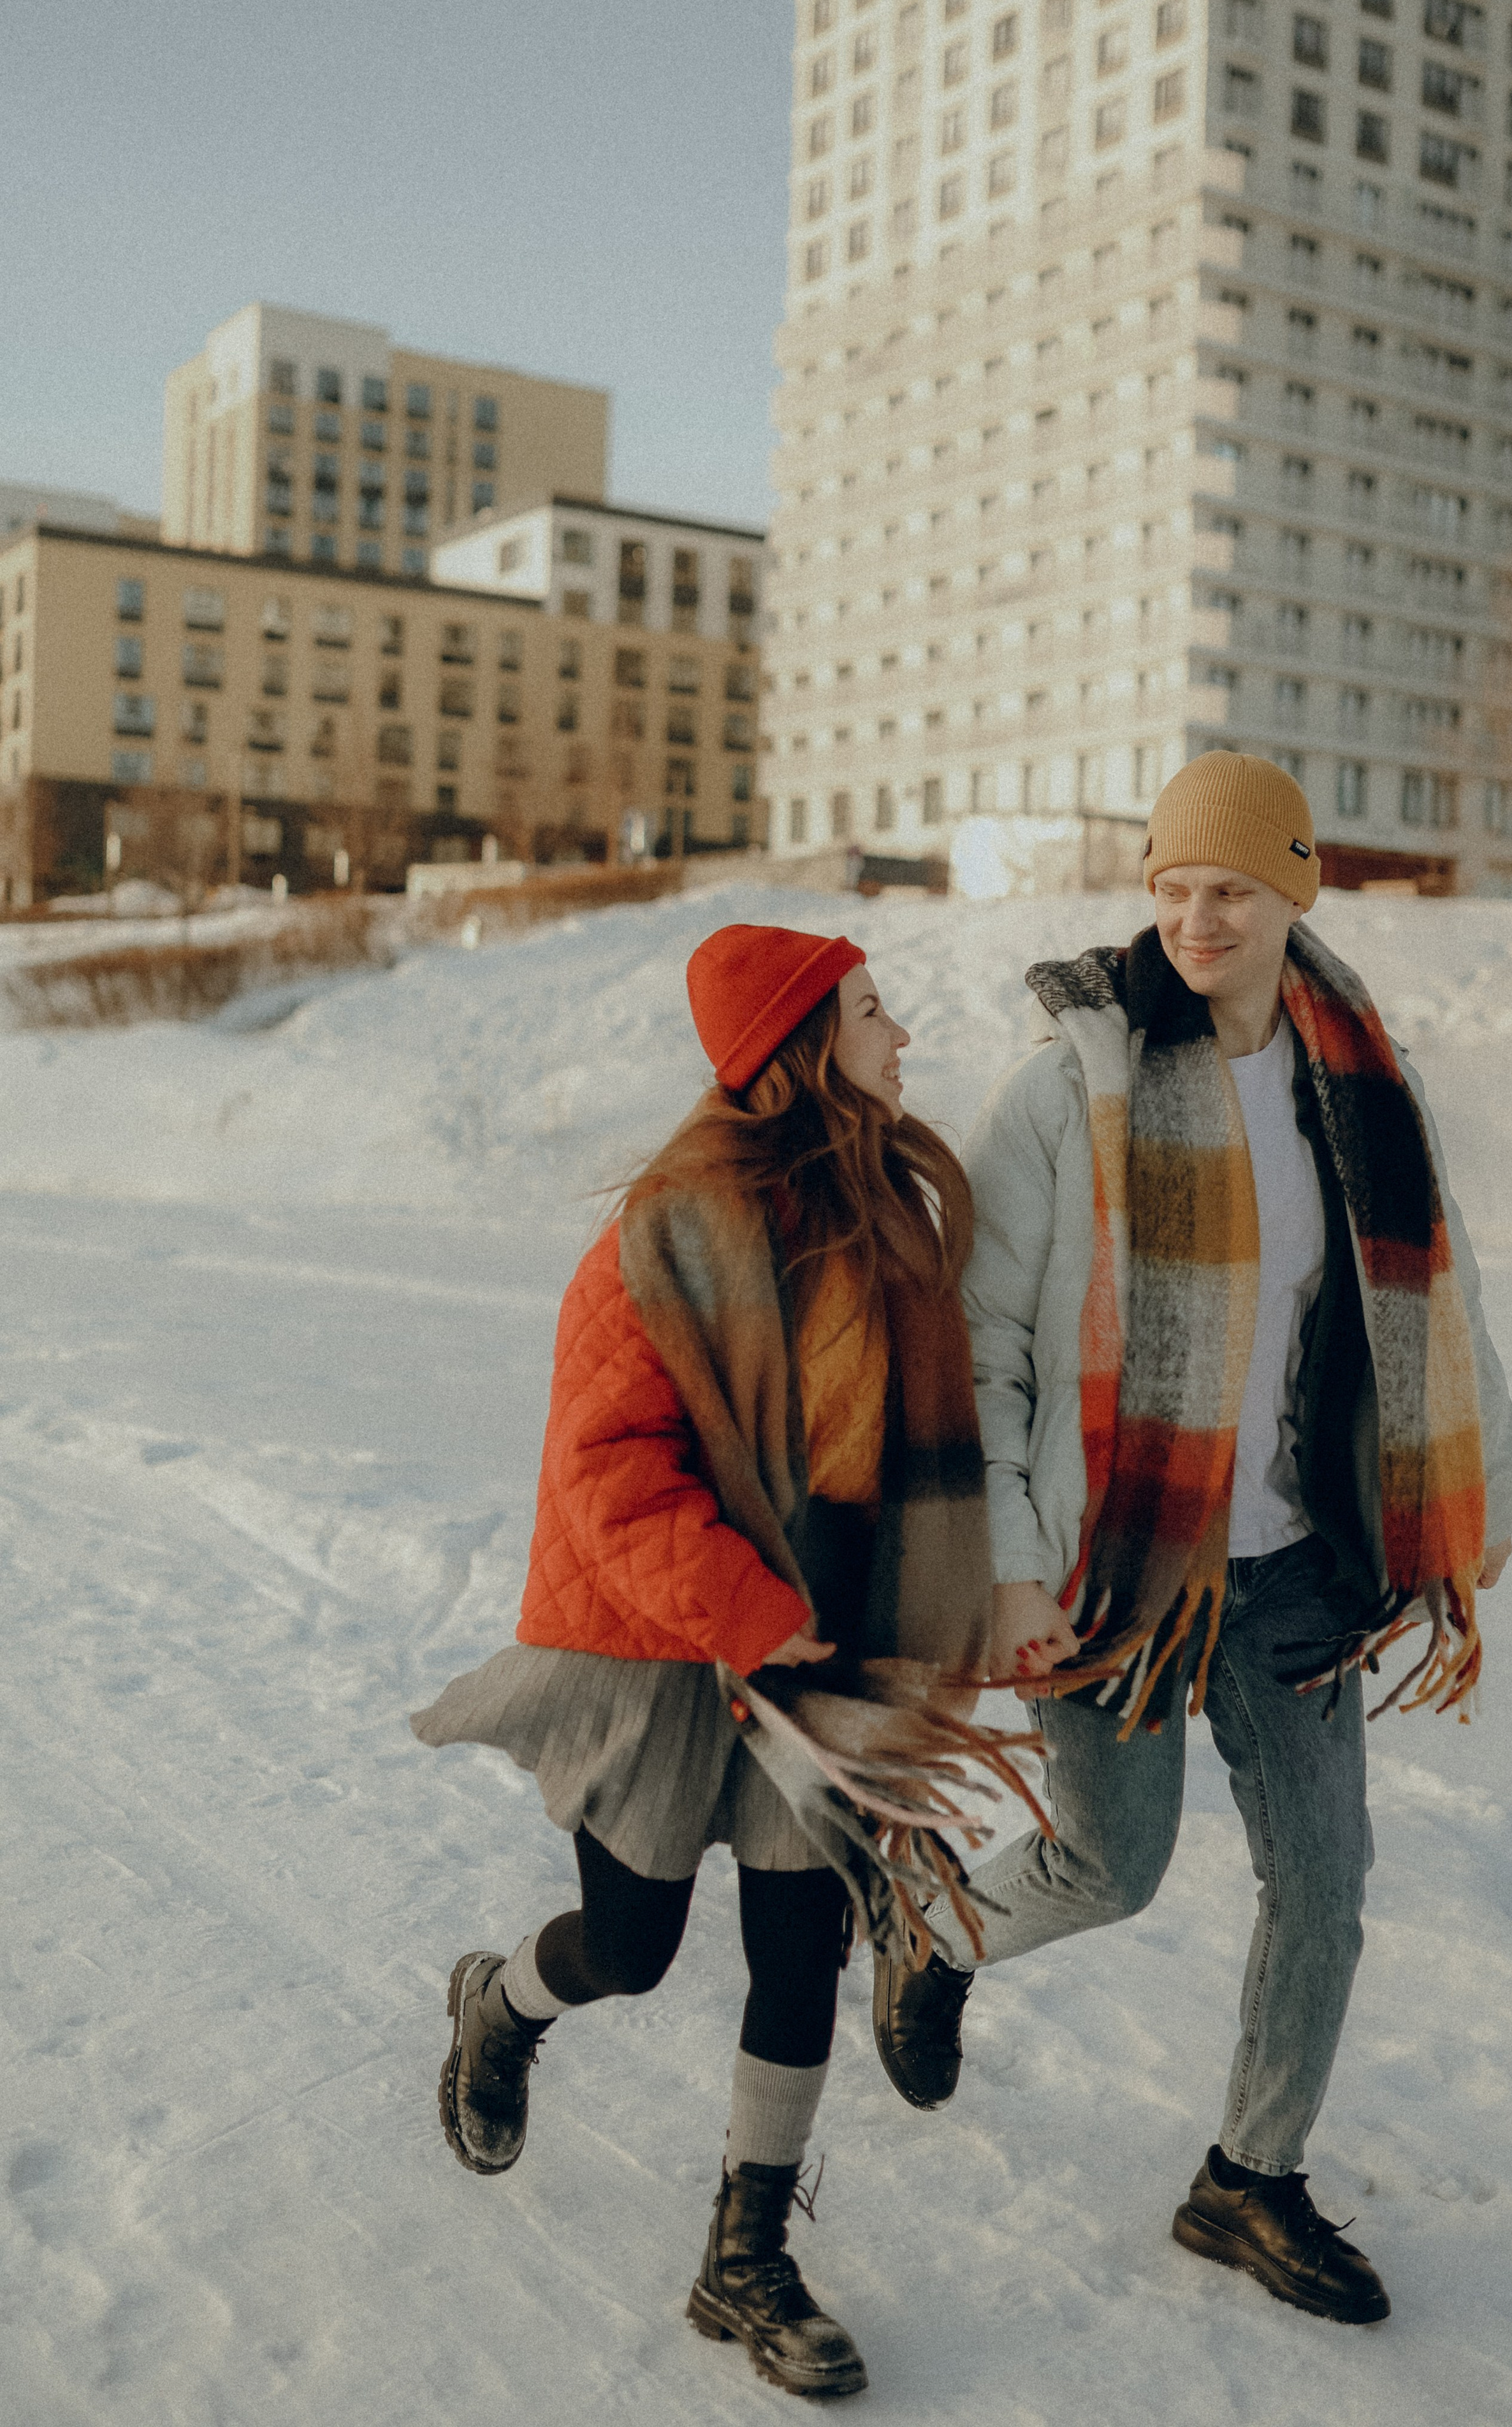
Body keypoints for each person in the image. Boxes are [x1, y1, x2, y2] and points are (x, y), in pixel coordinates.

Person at [871, 753, 1512, 2328]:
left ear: (1293, 891)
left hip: (1297, 1563)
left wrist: (1476, 1505)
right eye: (1170, 888)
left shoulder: (1360, 1086)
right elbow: (979, 1345)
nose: (1194, 919)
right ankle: (930, 1930)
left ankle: (1248, 2177)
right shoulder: (1064, 1090)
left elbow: (1433, 1303)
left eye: (1227, 889)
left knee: (1324, 1884)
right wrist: (1012, 1563)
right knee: (1109, 1868)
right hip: (1117, 1561)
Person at [412, 921, 999, 2400]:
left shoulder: (888, 1217)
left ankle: (745, 2257)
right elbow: (607, 1473)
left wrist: (938, 1611)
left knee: (802, 1943)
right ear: (801, 1046)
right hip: (667, 1639)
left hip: (822, 1644)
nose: (902, 1036)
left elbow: (920, 1445)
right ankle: (499, 2006)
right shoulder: (667, 1233)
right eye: (872, 1012)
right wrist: (742, 1608)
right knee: (633, 1947)